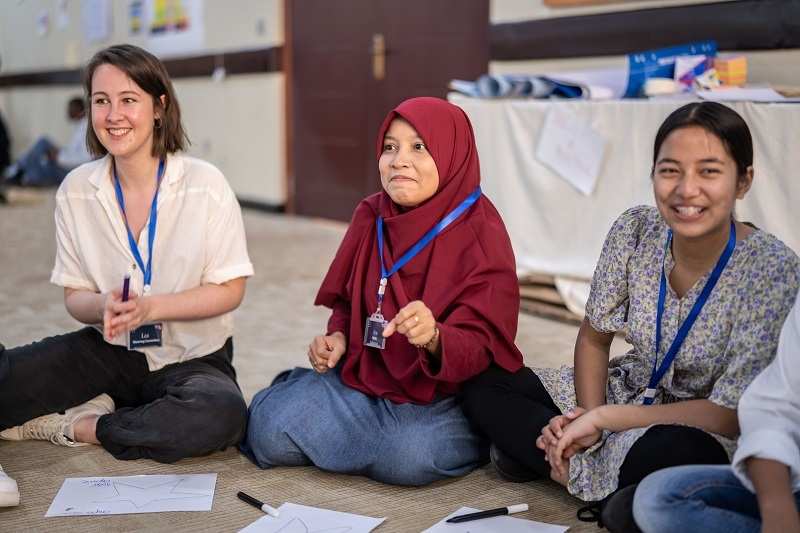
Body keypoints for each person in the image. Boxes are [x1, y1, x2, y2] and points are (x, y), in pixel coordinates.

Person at [462, 101, 800, 531]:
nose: (686, 189)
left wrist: (605, 421)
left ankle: (551, 459)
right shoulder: (635, 230)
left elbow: (733, 414)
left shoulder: (771, 269)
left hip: (700, 426)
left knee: (679, 455)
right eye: (670, 170)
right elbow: (594, 337)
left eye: (709, 171)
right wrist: (588, 416)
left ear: (743, 181)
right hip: (628, 391)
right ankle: (582, 464)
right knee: (487, 383)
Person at [241, 96, 523, 486]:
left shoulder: (481, 229)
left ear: (453, 152)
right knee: (267, 430)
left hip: (440, 397)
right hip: (364, 376)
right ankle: (315, 399)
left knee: (408, 458)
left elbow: (486, 342)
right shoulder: (371, 214)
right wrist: (338, 336)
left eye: (419, 147)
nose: (399, 160)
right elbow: (347, 299)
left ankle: (450, 438)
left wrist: (436, 337)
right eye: (390, 147)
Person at [0, 44, 253, 463]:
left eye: (128, 100)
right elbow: (74, 298)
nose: (113, 115)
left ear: (159, 106)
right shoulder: (77, 190)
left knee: (221, 415)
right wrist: (103, 305)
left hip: (194, 357)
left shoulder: (206, 184)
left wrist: (152, 308)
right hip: (109, 351)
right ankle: (109, 400)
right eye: (102, 101)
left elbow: (230, 290)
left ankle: (85, 424)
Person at [633, 290, 800, 533]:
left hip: (708, 429)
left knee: (663, 452)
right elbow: (775, 410)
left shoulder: (772, 267)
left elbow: (724, 417)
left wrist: (605, 419)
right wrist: (776, 506)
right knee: (657, 498)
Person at [3, 97, 92, 187]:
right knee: (40, 159)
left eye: (71, 108)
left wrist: (58, 157)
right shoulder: (79, 125)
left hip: (71, 173)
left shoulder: (86, 128)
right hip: (67, 167)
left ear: (80, 110)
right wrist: (60, 152)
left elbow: (85, 159)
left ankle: (17, 171)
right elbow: (74, 151)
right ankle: (20, 174)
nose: (67, 111)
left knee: (43, 144)